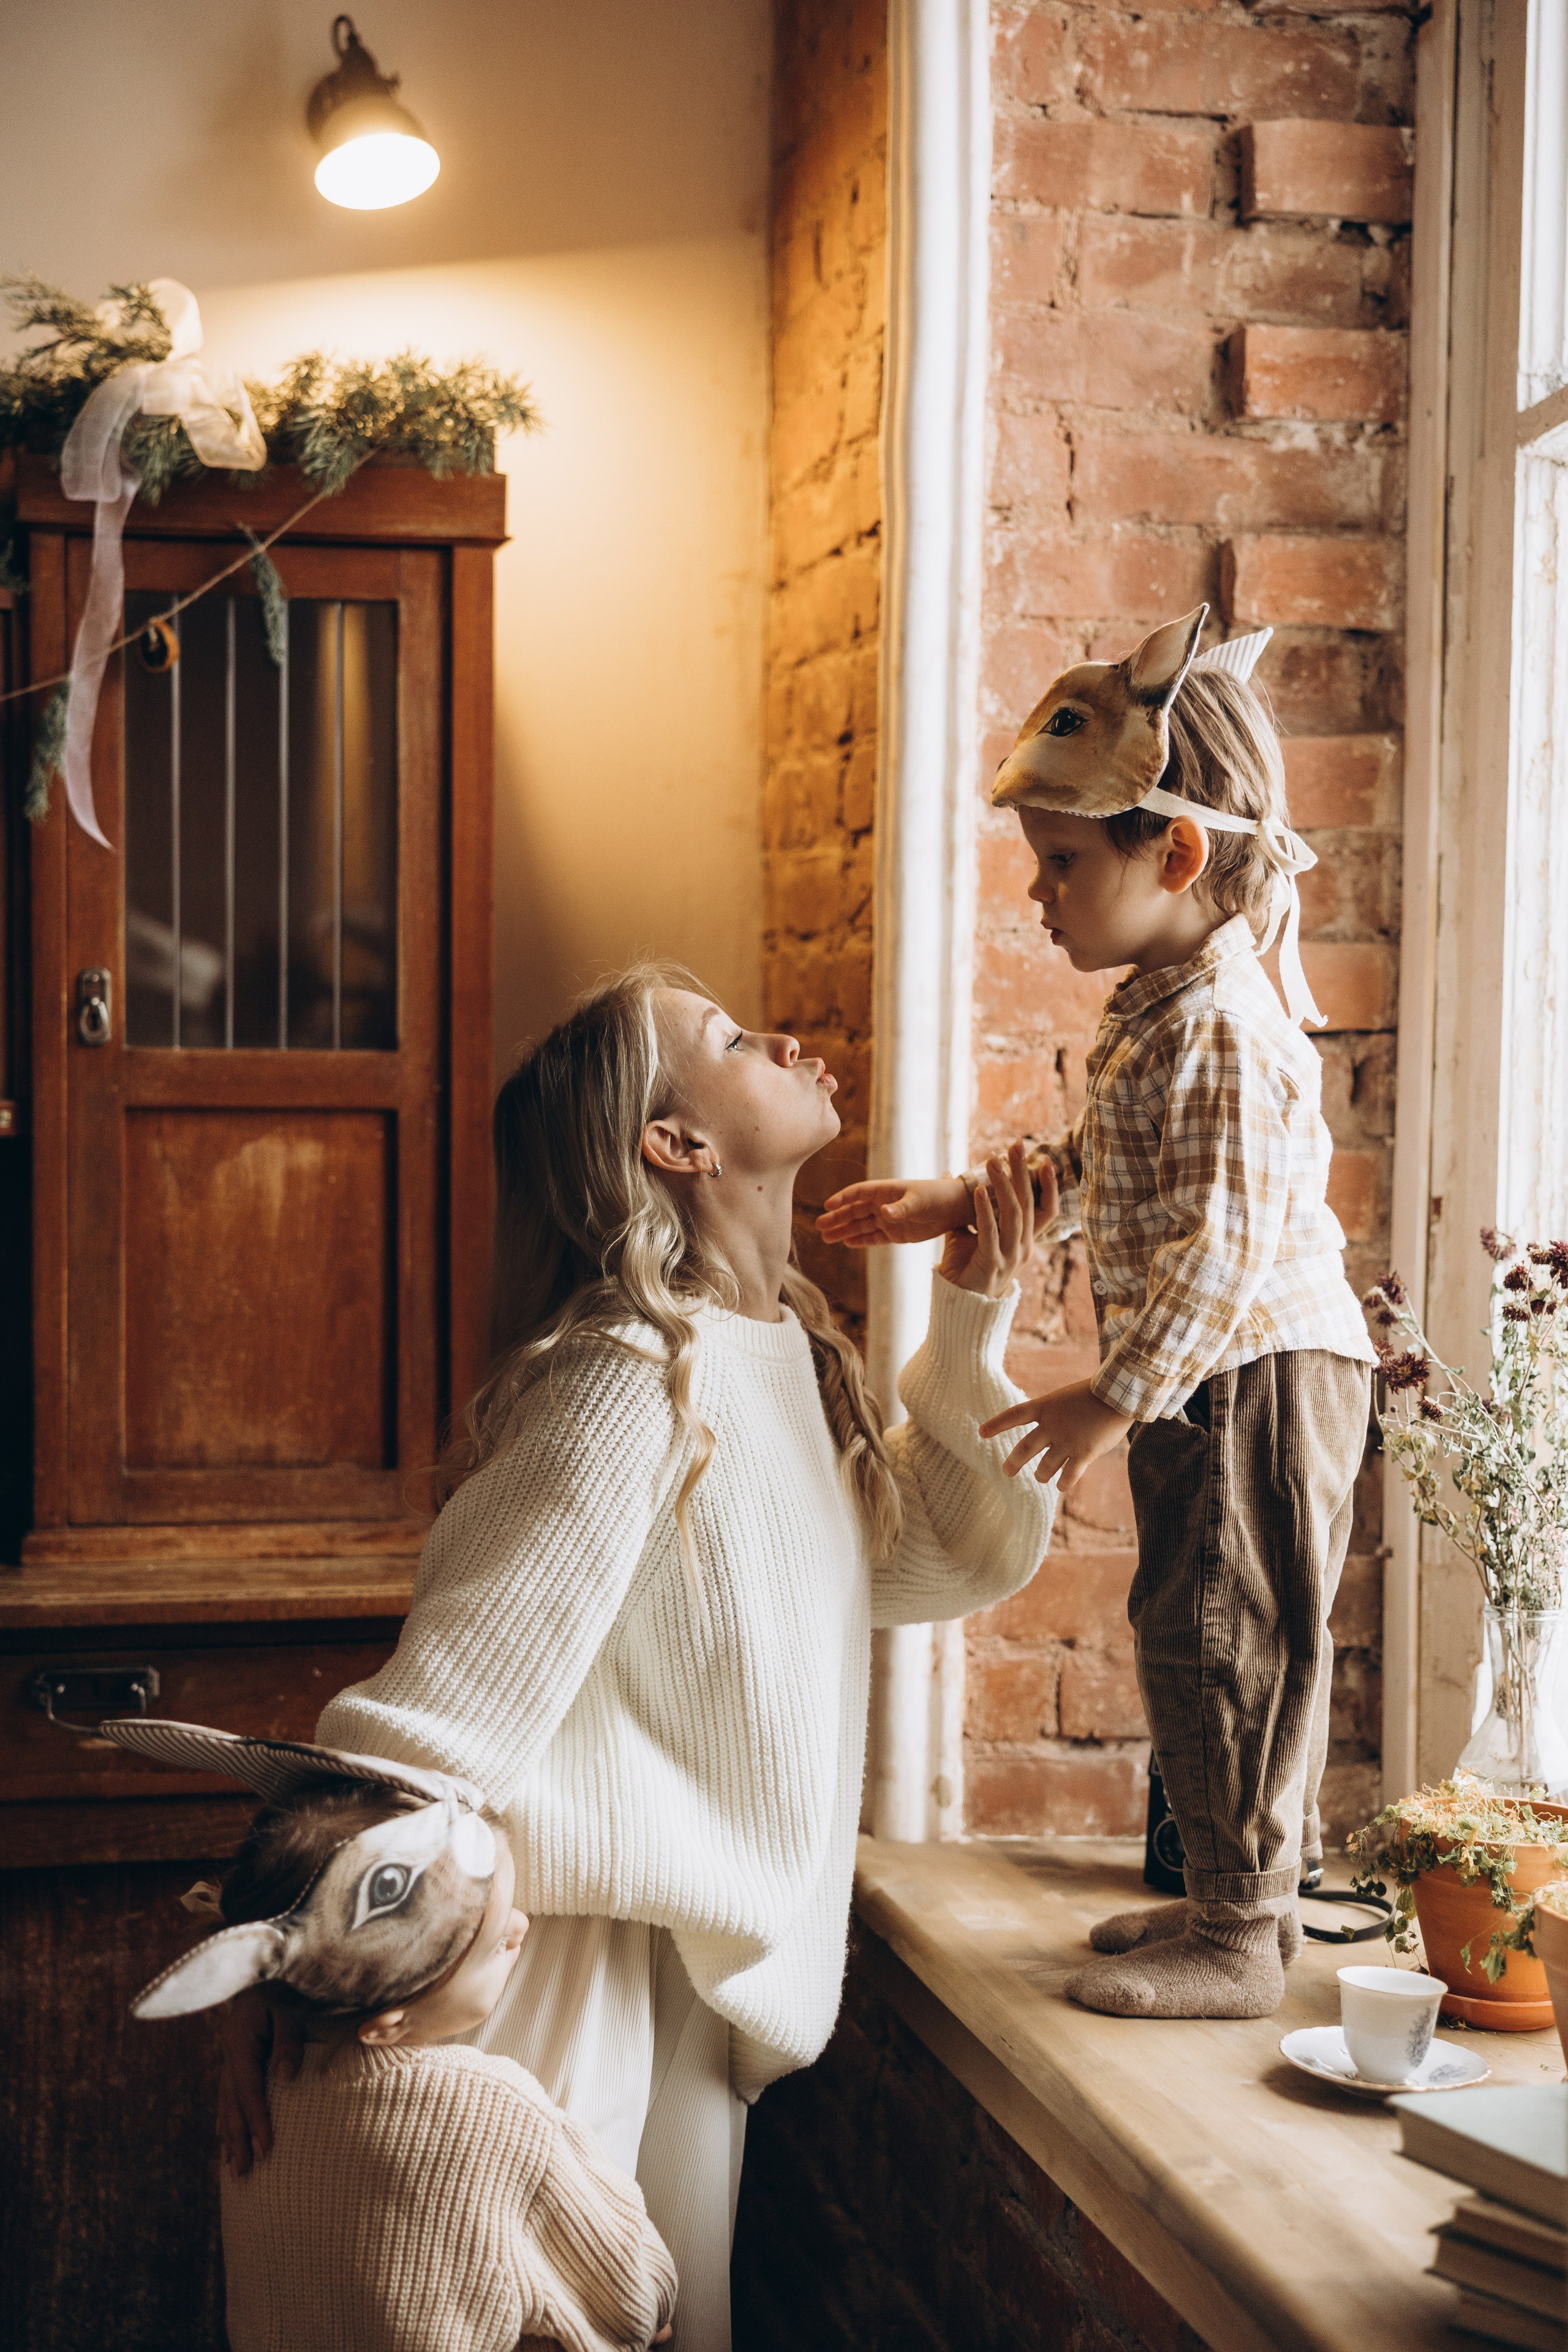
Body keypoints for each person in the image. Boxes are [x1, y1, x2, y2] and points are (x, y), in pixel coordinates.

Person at [217, 964, 1055, 2351]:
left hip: (664, 1969)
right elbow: (435, 1712)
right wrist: (274, 1959)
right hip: (532, 1981)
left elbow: (922, 1560)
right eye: (730, 1039)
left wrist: (969, 1313)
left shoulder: (770, 1352)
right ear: (677, 1144)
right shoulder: (624, 1374)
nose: (788, 1035)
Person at [818, 612, 1376, 2024]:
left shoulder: (1217, 1031)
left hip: (1249, 1376)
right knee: (1186, 1622)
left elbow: (1225, 1244)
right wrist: (957, 1198)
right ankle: (1222, 1899)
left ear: (1172, 854)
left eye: (1060, 862)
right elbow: (1106, 1172)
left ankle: (1244, 1933)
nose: (1034, 893)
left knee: (1226, 1631)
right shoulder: (1160, 1006)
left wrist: (1111, 1393)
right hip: (1211, 1375)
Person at [102, 1721, 676, 2352]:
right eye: (494, 1943)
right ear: (388, 2025)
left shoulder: (260, 2094)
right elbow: (637, 2302)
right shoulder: (499, 2111)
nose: (521, 1926)